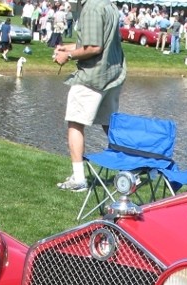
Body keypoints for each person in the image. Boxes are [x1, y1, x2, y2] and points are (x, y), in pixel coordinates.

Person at [51, 0, 126, 192]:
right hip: (112, 74)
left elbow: (94, 47)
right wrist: (69, 48)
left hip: (93, 76)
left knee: (75, 122)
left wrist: (66, 56)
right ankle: (129, 169)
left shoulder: (92, 7)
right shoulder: (108, 5)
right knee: (110, 125)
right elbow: (96, 41)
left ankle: (78, 179)